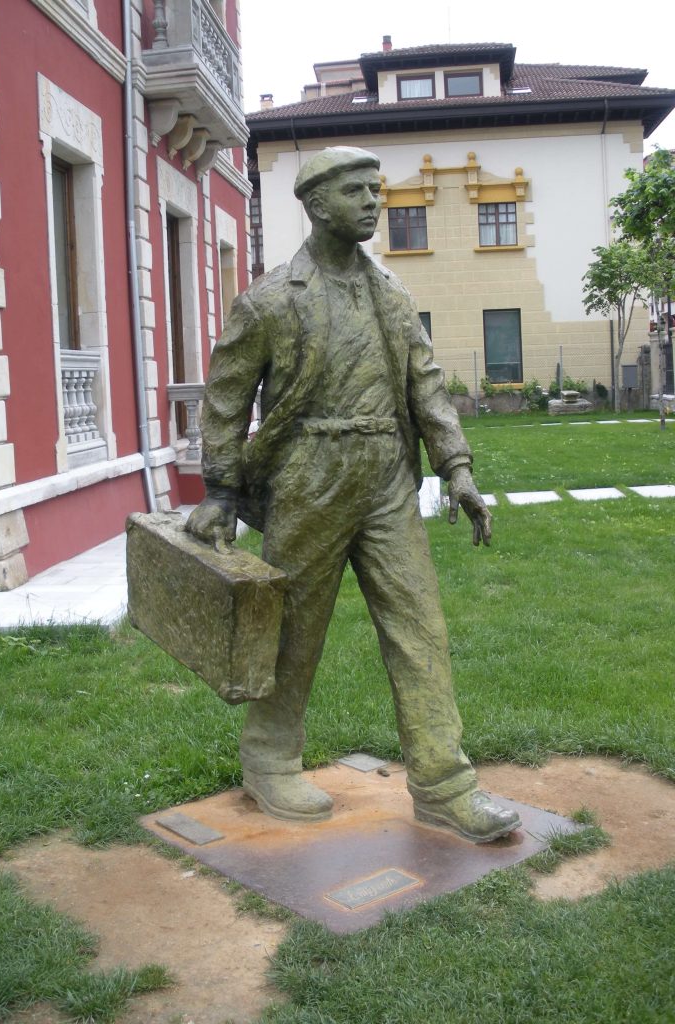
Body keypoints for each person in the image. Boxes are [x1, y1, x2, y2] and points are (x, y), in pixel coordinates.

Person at [186, 146, 520, 843]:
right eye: (356, 191)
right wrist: (220, 487)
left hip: (387, 480)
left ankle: (443, 783)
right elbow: (225, 398)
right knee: (295, 630)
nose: (374, 201)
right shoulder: (271, 299)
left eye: (376, 189)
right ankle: (270, 759)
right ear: (315, 203)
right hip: (310, 478)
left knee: (419, 625)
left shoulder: (392, 294)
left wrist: (457, 467)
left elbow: (424, 385)